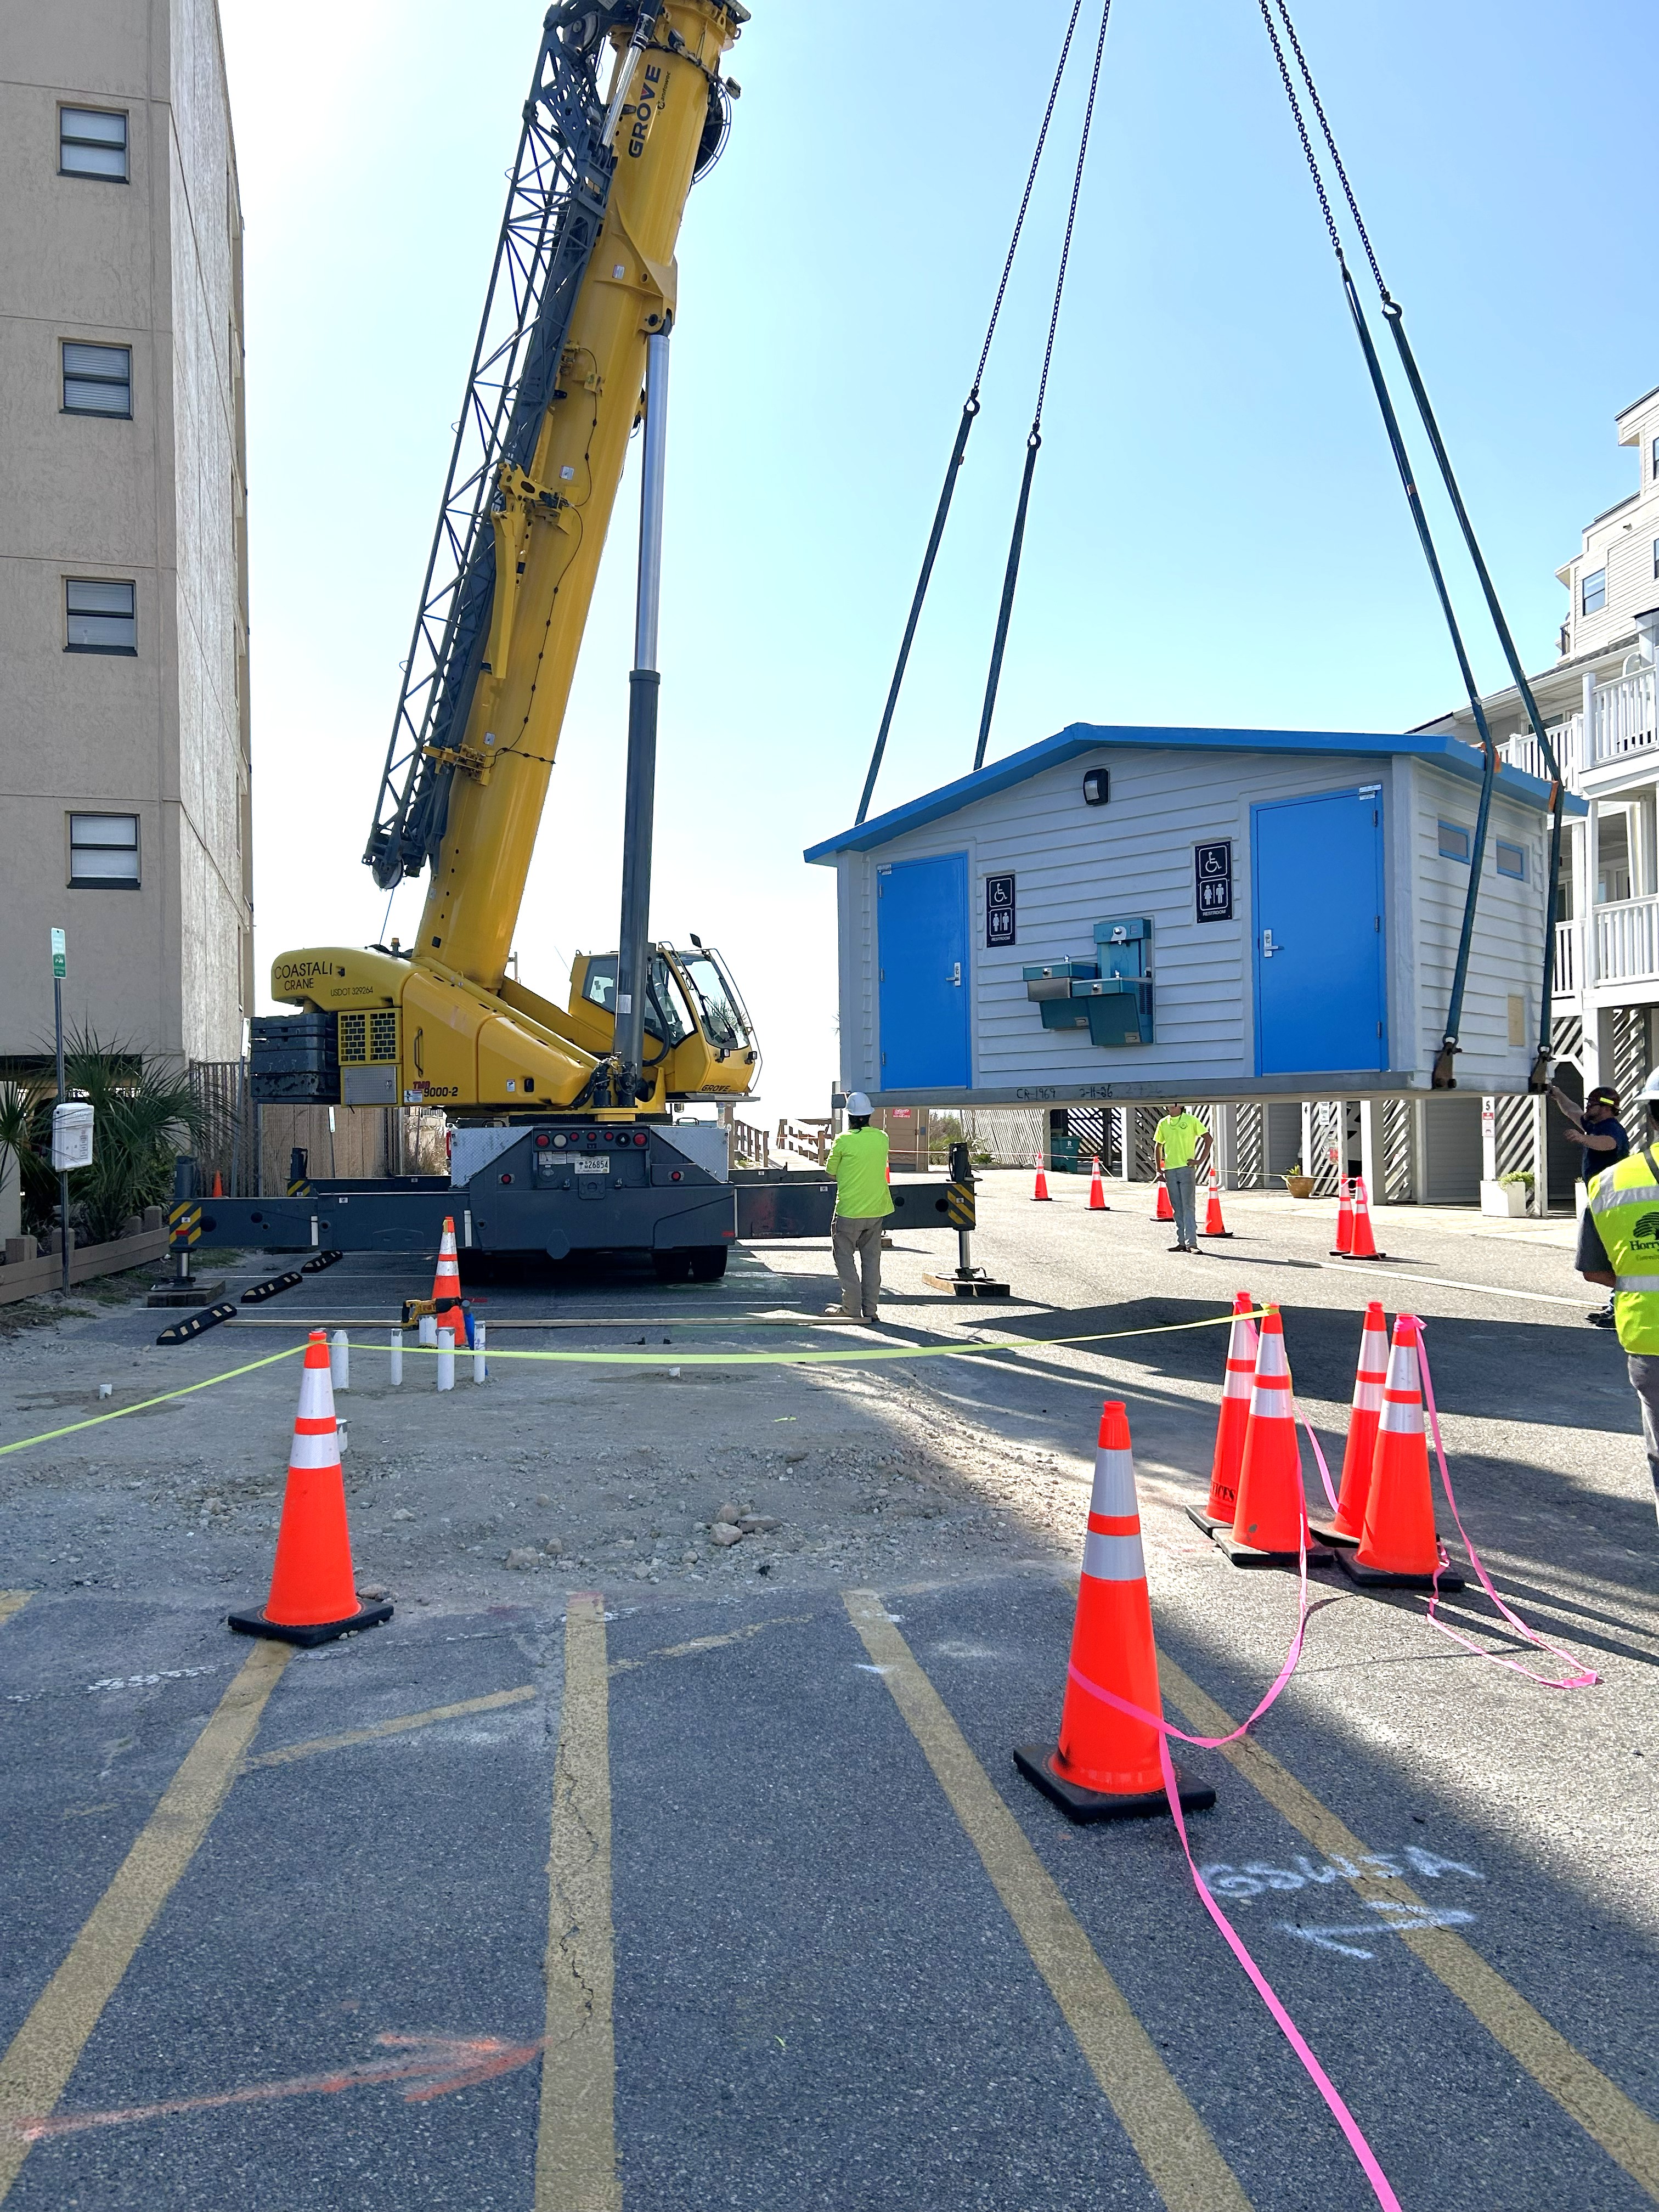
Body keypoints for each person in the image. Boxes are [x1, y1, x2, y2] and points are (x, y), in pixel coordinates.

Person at [1575, 1066, 1659, 1530]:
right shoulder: (1599, 1129)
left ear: (1649, 1116)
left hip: (1649, 1338)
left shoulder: (1609, 1185)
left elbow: (1594, 1270)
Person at [1552, 1080, 1629, 1327]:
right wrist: (1558, 1093)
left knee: (1600, 1265)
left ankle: (1626, 1299)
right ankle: (1615, 1306)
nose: (1588, 1107)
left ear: (1605, 1107)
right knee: (1607, 1262)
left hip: (1609, 1205)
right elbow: (1572, 1110)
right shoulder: (1595, 1124)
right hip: (1599, 1203)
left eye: (1593, 1103)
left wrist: (1582, 1139)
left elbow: (1609, 1144)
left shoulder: (1610, 1128)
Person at [824, 1092, 891, 1322]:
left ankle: (851, 1307)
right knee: (872, 1260)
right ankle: (871, 1311)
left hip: (849, 1211)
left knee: (844, 1257)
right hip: (877, 1210)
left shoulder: (843, 1141)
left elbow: (830, 1171)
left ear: (849, 1117)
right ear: (869, 1115)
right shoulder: (882, 1138)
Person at [1153, 1102, 1212, 1254]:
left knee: (1188, 1206)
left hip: (1186, 1168)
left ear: (1180, 1106)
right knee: (1177, 1208)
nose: (1169, 1107)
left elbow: (1208, 1139)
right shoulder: (1163, 1123)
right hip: (1170, 1170)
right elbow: (1158, 1146)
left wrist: (1199, 1161)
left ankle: (1192, 1243)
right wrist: (1159, 1170)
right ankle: (1181, 1242)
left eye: (1173, 1104)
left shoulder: (1190, 1120)